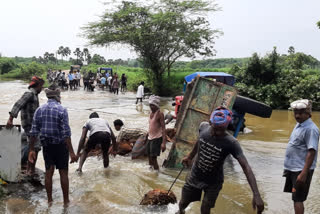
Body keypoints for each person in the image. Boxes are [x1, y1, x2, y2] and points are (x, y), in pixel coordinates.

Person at [176, 107, 264, 214]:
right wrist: (190, 157)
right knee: (183, 203)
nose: (217, 132)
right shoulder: (203, 127)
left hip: (213, 182)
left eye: (221, 129)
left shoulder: (231, 143)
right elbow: (199, 141)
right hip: (195, 175)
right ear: (210, 123)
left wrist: (256, 195)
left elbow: (246, 167)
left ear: (227, 126)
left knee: (205, 208)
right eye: (215, 128)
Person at [28, 84, 78, 205]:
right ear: (58, 96)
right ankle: (66, 201)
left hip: (47, 146)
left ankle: (49, 200)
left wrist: (31, 150)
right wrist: (72, 152)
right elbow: (66, 133)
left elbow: (33, 132)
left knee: (49, 172)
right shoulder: (62, 110)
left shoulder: (39, 110)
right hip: (61, 146)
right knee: (63, 173)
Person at [283, 99, 319, 214]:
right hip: (293, 168)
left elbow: (311, 152)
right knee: (295, 197)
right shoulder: (299, 124)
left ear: (308, 113)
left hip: (301, 170)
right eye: (295, 112)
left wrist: (303, 174)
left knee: (298, 199)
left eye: (301, 112)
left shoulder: (311, 129)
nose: (297, 115)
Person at [6, 76, 45, 172]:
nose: (42, 89)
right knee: (35, 147)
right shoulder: (30, 94)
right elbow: (18, 104)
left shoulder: (34, 95)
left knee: (28, 146)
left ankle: (26, 166)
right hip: (30, 126)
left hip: (31, 126)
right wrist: (10, 119)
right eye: (41, 86)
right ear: (38, 85)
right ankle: (30, 170)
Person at [147, 95, 166, 170]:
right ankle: (150, 171)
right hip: (150, 138)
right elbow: (151, 126)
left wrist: (163, 143)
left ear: (156, 105)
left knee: (153, 158)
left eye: (153, 105)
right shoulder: (150, 113)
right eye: (150, 105)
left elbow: (164, 128)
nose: (151, 107)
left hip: (157, 138)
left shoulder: (160, 114)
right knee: (148, 156)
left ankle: (156, 173)